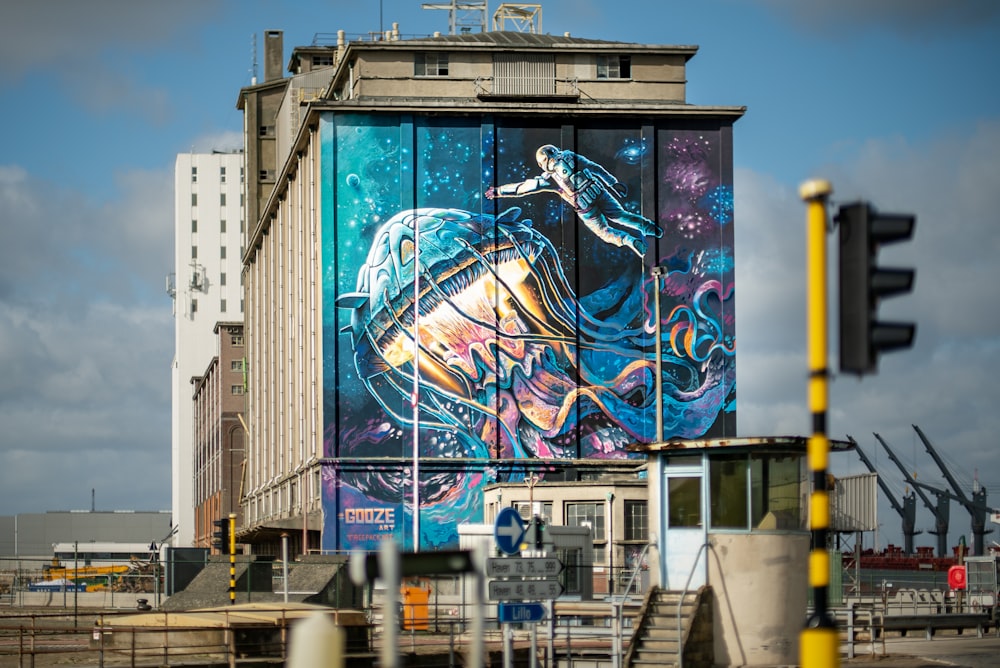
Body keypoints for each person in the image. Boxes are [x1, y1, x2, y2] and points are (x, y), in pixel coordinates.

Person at [486, 144, 662, 257]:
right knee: (622, 216)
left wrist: (498, 191)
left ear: (543, 162)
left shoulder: (547, 179)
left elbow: (521, 189)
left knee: (605, 232)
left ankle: (629, 240)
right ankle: (649, 228)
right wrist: (613, 183)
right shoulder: (572, 157)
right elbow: (595, 168)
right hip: (600, 193)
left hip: (586, 208)